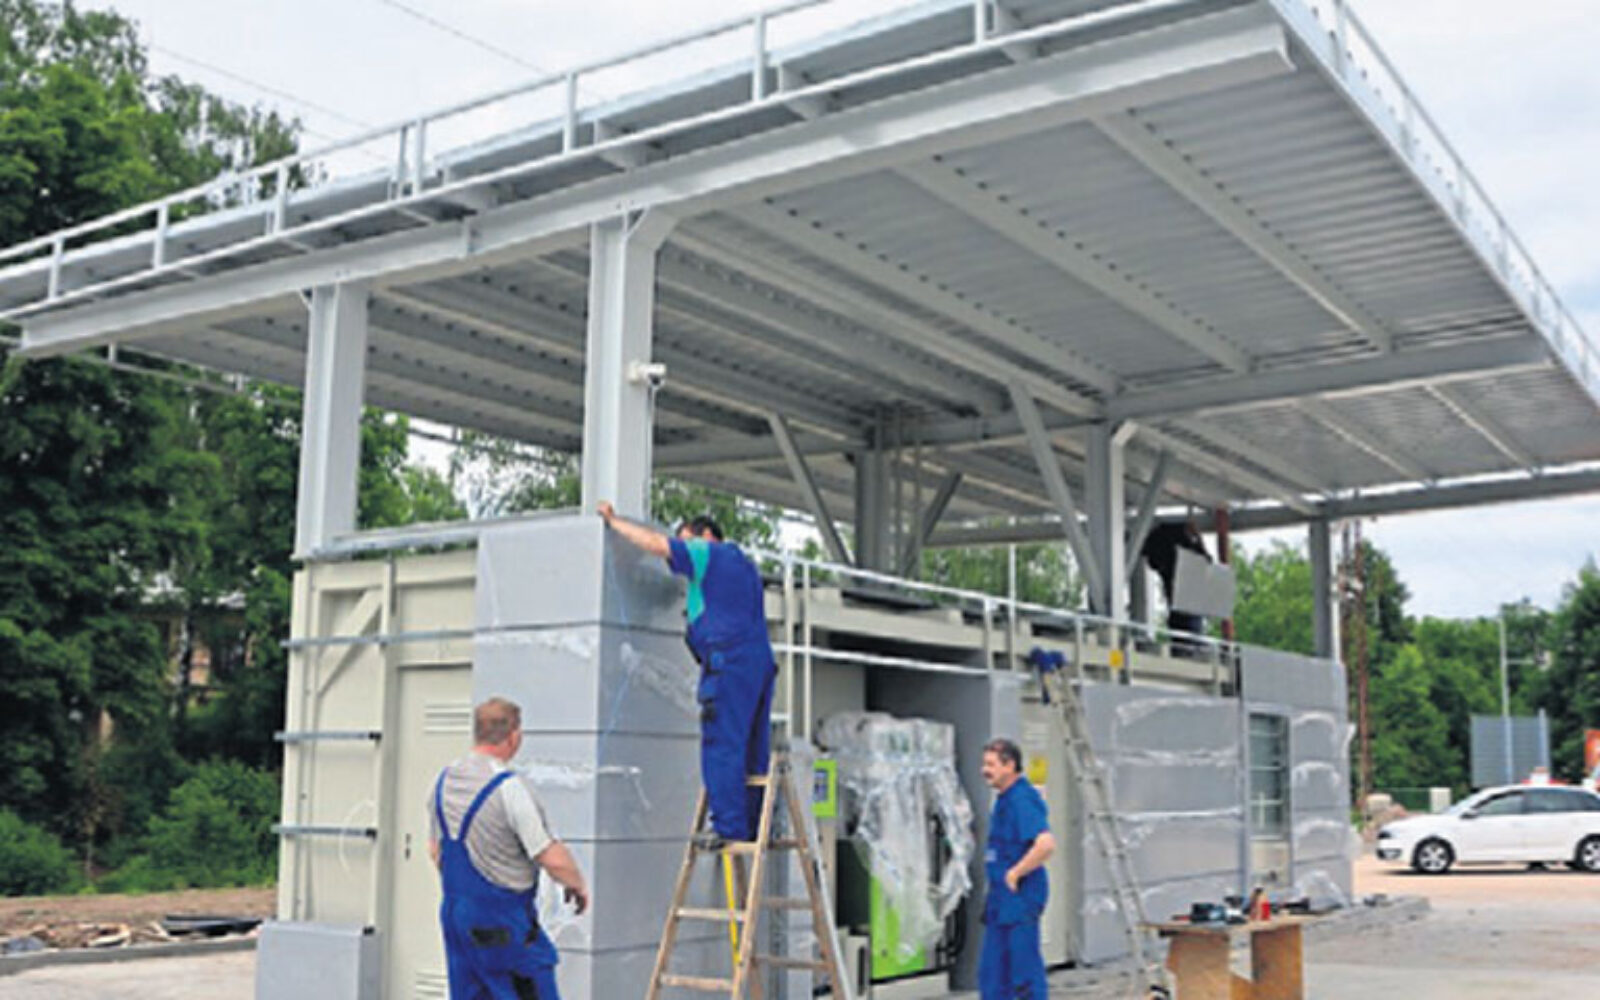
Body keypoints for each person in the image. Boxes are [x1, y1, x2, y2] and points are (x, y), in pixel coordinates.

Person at [597, 501, 776, 850]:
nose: (679, 553)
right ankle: (753, 827)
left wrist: (614, 522)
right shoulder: (744, 566)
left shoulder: (707, 553)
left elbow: (656, 544)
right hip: (758, 664)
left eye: (684, 540)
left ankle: (729, 827)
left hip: (728, 664)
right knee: (752, 749)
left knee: (722, 745)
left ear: (705, 535)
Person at [430, 697, 589, 1000]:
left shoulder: (444, 782)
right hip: (503, 924)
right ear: (514, 737)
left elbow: (435, 852)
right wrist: (576, 884)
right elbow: (551, 857)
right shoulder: (509, 788)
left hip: (456, 919)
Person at [979, 737, 1055, 1000]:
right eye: (984, 764)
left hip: (1019, 898)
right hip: (1001, 901)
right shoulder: (1004, 799)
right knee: (993, 975)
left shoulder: (1022, 799)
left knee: (1023, 975)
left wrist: (1015, 873)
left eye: (991, 765)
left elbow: (1045, 844)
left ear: (1009, 765)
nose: (984, 770)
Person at [1140, 518, 1211, 637]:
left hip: (1182, 610)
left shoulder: (1171, 561)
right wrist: (1197, 538)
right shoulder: (1182, 559)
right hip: (1186, 609)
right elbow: (1206, 561)